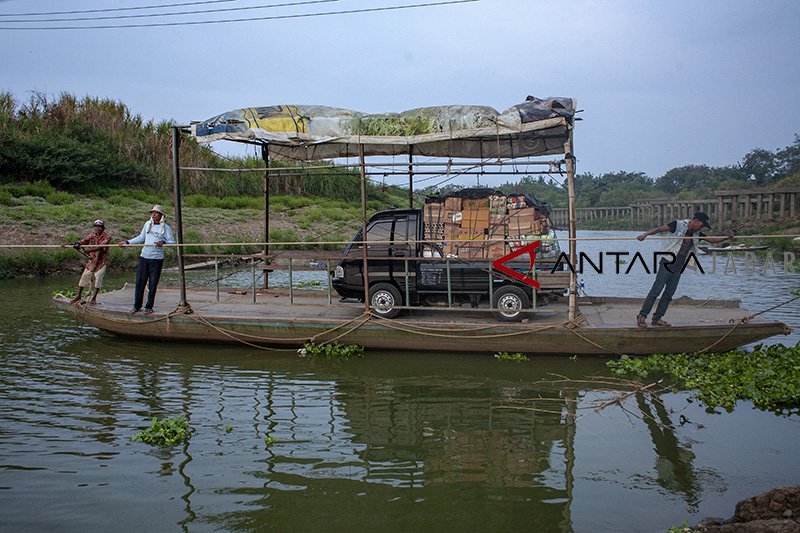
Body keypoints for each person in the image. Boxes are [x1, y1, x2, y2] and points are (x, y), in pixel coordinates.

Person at [635, 212, 734, 327]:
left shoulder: (696, 233)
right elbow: (659, 229)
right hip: (667, 262)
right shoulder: (678, 225)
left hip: (679, 266)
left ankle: (657, 318)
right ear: (695, 220)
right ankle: (642, 316)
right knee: (656, 290)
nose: (701, 228)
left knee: (669, 294)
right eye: (701, 225)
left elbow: (712, 240)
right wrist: (645, 235)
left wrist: (727, 237)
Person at [119, 205, 176, 314]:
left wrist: (163, 243)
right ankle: (136, 306)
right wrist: (127, 242)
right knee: (140, 282)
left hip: (157, 259)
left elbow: (172, 242)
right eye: (152, 213)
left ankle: (149, 307)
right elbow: (141, 238)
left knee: (153, 283)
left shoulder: (166, 228)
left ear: (162, 216)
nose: (154, 215)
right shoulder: (147, 224)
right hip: (144, 257)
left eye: (156, 213)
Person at [66, 219, 111, 305]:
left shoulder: (107, 237)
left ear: (103, 228)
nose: (97, 228)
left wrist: (89, 250)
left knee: (98, 278)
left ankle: (94, 298)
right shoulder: (91, 236)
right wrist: (77, 244)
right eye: (96, 227)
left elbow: (101, 247)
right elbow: (83, 241)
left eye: (100, 227)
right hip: (92, 260)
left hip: (102, 261)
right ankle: (78, 295)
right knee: (85, 276)